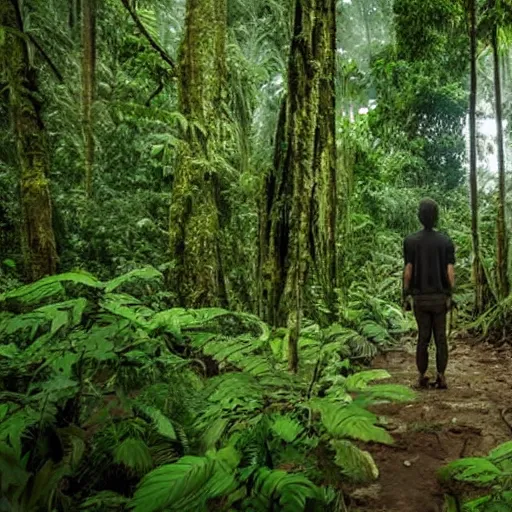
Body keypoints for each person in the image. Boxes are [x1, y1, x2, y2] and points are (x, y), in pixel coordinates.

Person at [402, 198, 455, 390]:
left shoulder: (410, 241)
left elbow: (408, 270)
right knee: (441, 338)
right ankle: (441, 376)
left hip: (420, 299)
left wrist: (406, 294)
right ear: (436, 216)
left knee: (423, 337)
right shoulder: (446, 241)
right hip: (440, 298)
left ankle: (422, 376)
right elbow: (450, 272)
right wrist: (450, 293)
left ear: (420, 216)